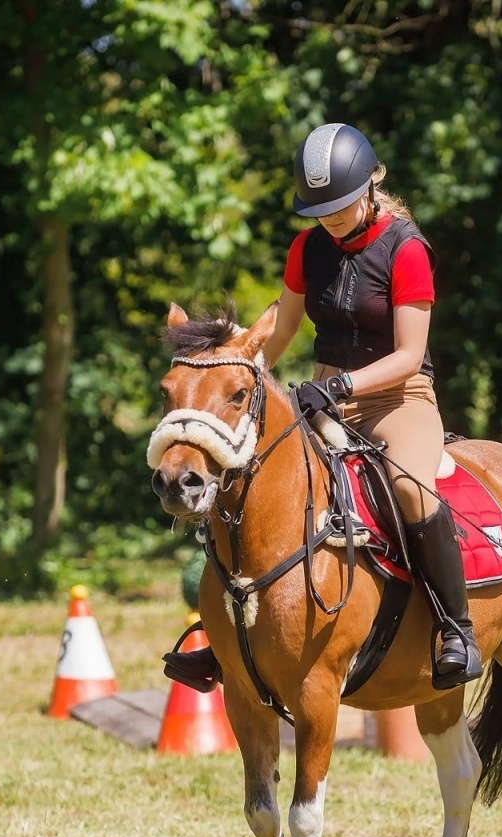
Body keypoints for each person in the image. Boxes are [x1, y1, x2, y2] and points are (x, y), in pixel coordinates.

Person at [165, 122, 480, 692]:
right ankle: (224, 637)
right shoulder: (308, 248)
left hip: (397, 398)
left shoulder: (406, 249)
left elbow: (410, 354)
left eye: (338, 204)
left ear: (372, 183)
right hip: (321, 396)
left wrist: (340, 388)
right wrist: (243, 371)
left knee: (410, 488)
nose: (329, 218)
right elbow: (281, 330)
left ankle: (456, 629)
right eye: (319, 208)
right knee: (246, 474)